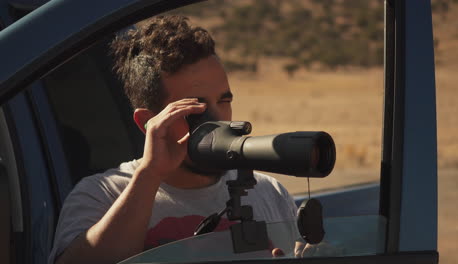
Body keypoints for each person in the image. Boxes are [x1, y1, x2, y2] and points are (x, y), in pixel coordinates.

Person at [48, 15, 298, 264]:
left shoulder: (269, 193)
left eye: (224, 101)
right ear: (148, 121)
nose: (219, 119)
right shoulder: (101, 196)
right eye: (196, 109)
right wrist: (150, 175)